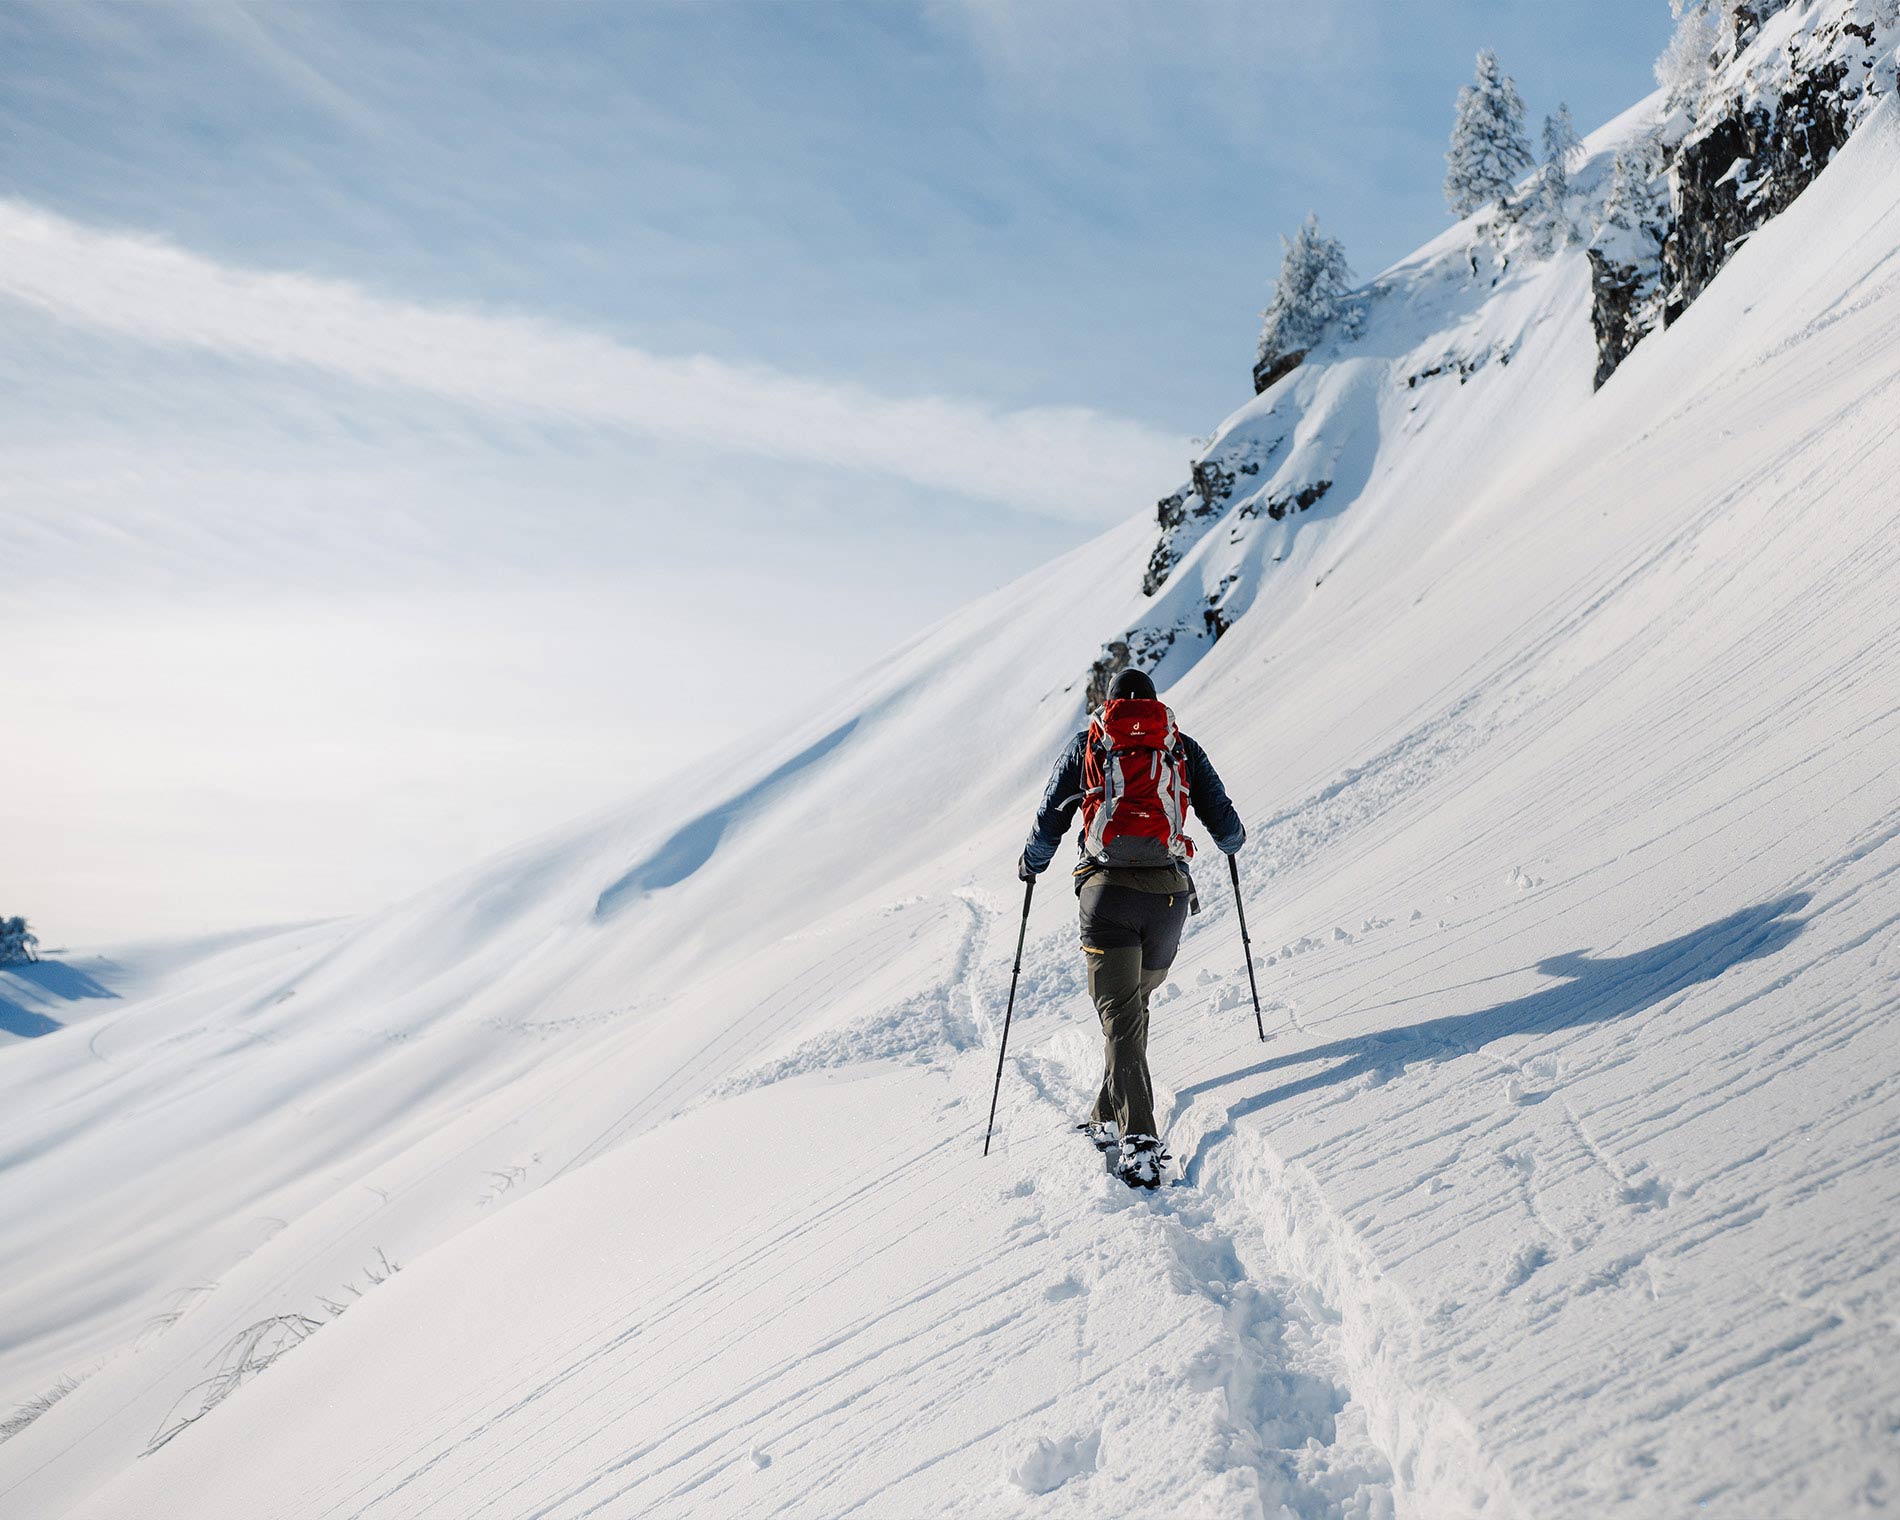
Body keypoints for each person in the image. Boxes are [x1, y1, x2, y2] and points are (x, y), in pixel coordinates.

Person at [1017, 668, 1245, 1188]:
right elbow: (1226, 824)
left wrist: (1031, 864)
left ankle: (1140, 1140)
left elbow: (1050, 817)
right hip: (1168, 900)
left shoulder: (1088, 745)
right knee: (1131, 1010)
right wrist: (1231, 843)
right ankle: (1104, 1118)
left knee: (1121, 1017)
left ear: (1110, 703)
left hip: (1107, 896)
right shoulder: (1180, 747)